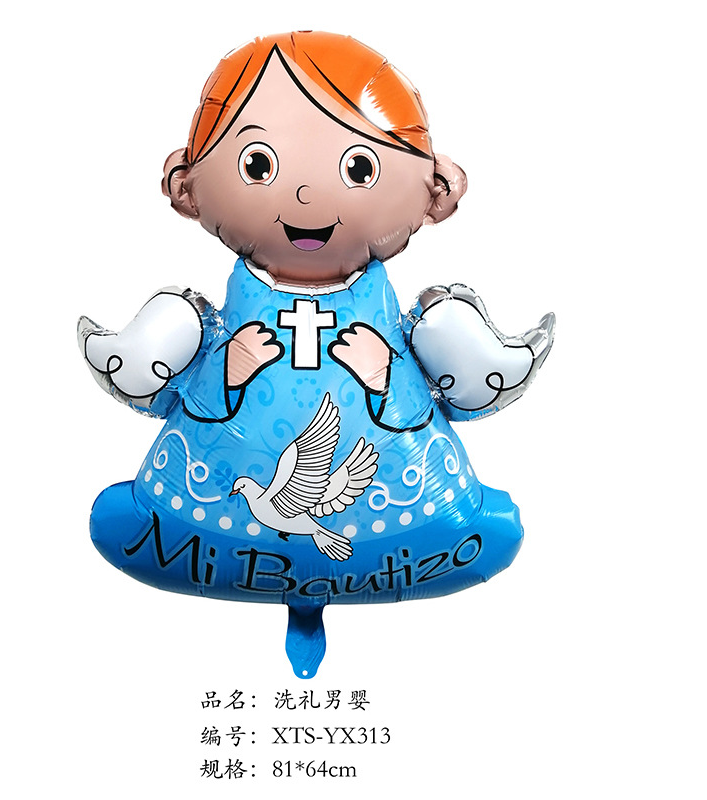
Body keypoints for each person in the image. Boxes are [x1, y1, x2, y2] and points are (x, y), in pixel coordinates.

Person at [79, 32, 553, 676]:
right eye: (258, 165)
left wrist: (384, 375)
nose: (306, 197)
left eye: (358, 169)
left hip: (383, 523)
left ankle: (482, 370)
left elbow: (406, 414)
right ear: (188, 188)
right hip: (274, 532)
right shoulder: (225, 321)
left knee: (445, 330)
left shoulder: (387, 322)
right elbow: (210, 406)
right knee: (174, 325)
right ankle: (138, 365)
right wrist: (228, 371)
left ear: (434, 191)